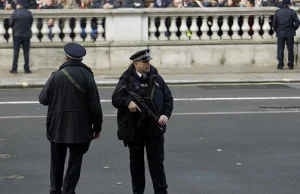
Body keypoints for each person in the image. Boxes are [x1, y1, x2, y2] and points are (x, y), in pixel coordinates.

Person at [39, 43, 103, 194]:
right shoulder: (87, 76)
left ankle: (55, 190)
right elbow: (95, 106)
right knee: (75, 163)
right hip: (81, 128)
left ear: (66, 57)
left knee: (56, 162)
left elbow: (43, 99)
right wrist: (97, 128)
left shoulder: (57, 76)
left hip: (57, 126)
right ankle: (69, 191)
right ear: (81, 59)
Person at [112, 49, 174, 194]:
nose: (148, 64)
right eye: (145, 62)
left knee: (157, 165)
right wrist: (128, 103)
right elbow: (116, 98)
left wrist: (165, 115)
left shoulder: (156, 77)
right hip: (135, 130)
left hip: (154, 130)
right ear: (136, 64)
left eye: (149, 61)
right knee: (137, 166)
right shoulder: (126, 79)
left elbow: (168, 99)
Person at [272, 0, 300, 70]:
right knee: (290, 49)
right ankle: (290, 64)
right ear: (288, 4)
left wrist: (277, 30)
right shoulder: (292, 12)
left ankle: (280, 64)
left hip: (280, 32)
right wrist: (293, 29)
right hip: (290, 32)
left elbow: (274, 24)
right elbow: (297, 23)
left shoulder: (278, 12)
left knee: (280, 49)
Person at [9, 0, 33, 74]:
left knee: (16, 52)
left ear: (19, 5)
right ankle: (26, 68)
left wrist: (15, 28)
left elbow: (10, 23)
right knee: (26, 52)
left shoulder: (15, 13)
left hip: (17, 35)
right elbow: (30, 23)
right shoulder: (29, 13)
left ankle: (14, 69)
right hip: (26, 35)